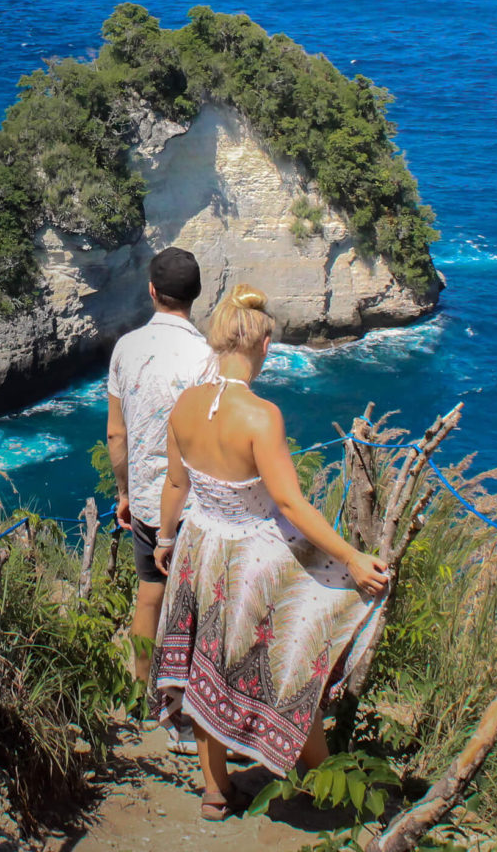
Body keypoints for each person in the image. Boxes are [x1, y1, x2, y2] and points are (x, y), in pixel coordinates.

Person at [150, 285, 389, 820]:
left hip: (197, 547)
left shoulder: (185, 404)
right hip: (251, 557)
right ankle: (319, 782)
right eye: (269, 344)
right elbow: (288, 501)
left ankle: (216, 790)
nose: (270, 353)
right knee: (292, 665)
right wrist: (351, 558)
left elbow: (174, 484)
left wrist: (166, 540)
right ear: (257, 344)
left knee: (204, 665)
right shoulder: (262, 415)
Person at [107, 246, 215, 708]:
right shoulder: (205, 356)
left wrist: (124, 493)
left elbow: (116, 433)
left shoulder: (126, 347)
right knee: (196, 605)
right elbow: (210, 435)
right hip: (193, 503)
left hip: (149, 503)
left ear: (152, 291)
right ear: (196, 296)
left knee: (149, 595)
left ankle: (141, 691)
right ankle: (189, 698)